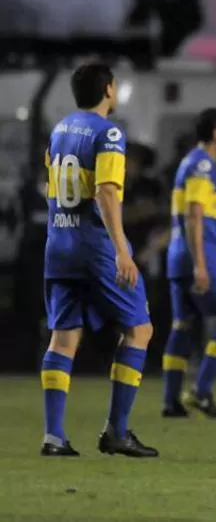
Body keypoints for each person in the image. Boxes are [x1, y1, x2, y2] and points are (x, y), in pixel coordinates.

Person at [39, 62, 157, 457]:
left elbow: (52, 186)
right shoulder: (108, 133)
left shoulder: (60, 130)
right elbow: (107, 192)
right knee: (140, 330)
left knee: (64, 336)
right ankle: (116, 432)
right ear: (109, 89)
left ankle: (54, 436)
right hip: (94, 246)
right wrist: (123, 249)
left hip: (59, 244)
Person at [162, 108, 216, 420]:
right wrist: (202, 264)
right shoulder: (202, 165)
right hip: (198, 255)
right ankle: (201, 391)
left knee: (182, 324)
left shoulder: (192, 163)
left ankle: (171, 401)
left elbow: (203, 221)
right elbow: (195, 215)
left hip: (179, 255)